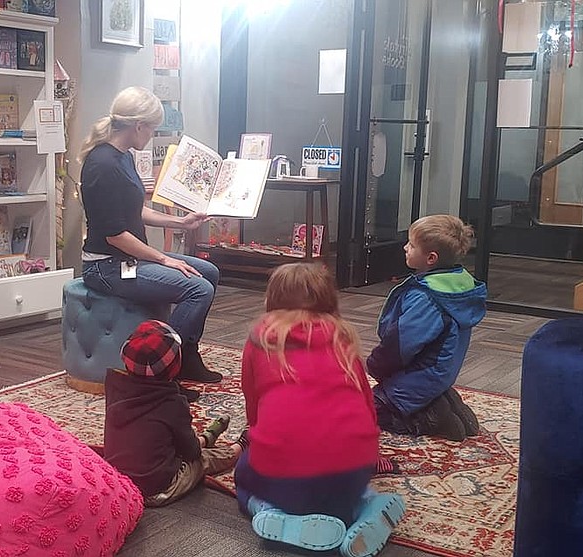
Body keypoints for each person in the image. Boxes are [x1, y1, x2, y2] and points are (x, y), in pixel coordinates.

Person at [235, 263, 405, 557]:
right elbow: (366, 401)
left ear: (271, 299)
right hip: (354, 467)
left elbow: (252, 400)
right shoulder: (343, 339)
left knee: (243, 476)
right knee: (341, 490)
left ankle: (270, 513)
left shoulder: (260, 338)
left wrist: (258, 436)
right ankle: (364, 509)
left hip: (283, 473)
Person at [79, 86, 222, 395]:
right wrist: (164, 258)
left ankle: (188, 356)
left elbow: (135, 211)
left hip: (128, 259)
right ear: (138, 126)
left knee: (209, 272)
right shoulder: (101, 166)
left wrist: (180, 221)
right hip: (106, 266)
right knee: (197, 288)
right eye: (154, 128)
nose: (153, 134)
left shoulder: (123, 158)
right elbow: (115, 236)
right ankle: (161, 373)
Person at [367, 215, 486, 441]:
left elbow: (402, 343)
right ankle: (443, 401)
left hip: (421, 374)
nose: (405, 247)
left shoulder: (428, 298)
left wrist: (377, 364)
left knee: (368, 411)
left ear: (430, 258)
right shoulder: (456, 285)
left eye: (411, 245)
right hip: (439, 373)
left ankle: (433, 418)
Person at [104, 320, 242, 507]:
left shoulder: (114, 386)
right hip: (159, 489)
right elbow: (191, 452)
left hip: (120, 481)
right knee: (202, 461)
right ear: (176, 367)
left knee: (162, 439)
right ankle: (240, 447)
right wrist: (196, 446)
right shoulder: (172, 402)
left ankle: (206, 438)